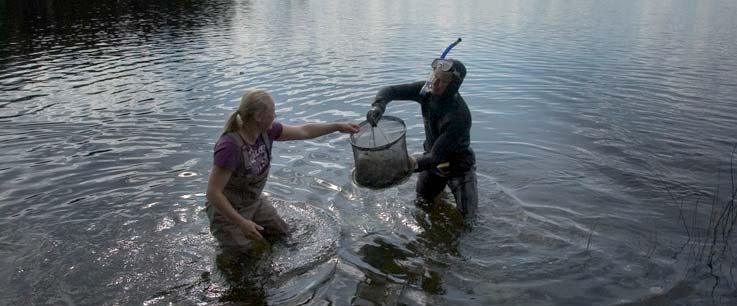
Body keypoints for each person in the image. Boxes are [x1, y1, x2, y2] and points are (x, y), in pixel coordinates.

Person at [206, 89, 359, 252]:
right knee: (245, 256)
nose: (275, 116)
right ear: (259, 116)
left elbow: (304, 131)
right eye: (273, 113)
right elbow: (213, 193)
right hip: (227, 214)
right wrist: (242, 223)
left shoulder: (267, 132)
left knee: (283, 234)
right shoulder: (230, 146)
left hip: (254, 202)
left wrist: (337, 126)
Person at [366, 58, 478, 224]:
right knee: (422, 203)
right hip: (433, 164)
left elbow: (435, 157)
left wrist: (403, 164)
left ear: (453, 86)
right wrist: (379, 106)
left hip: (458, 167)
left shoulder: (459, 116)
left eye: (442, 81)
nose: (435, 83)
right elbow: (389, 90)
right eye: (434, 77)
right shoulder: (425, 91)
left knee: (468, 221)